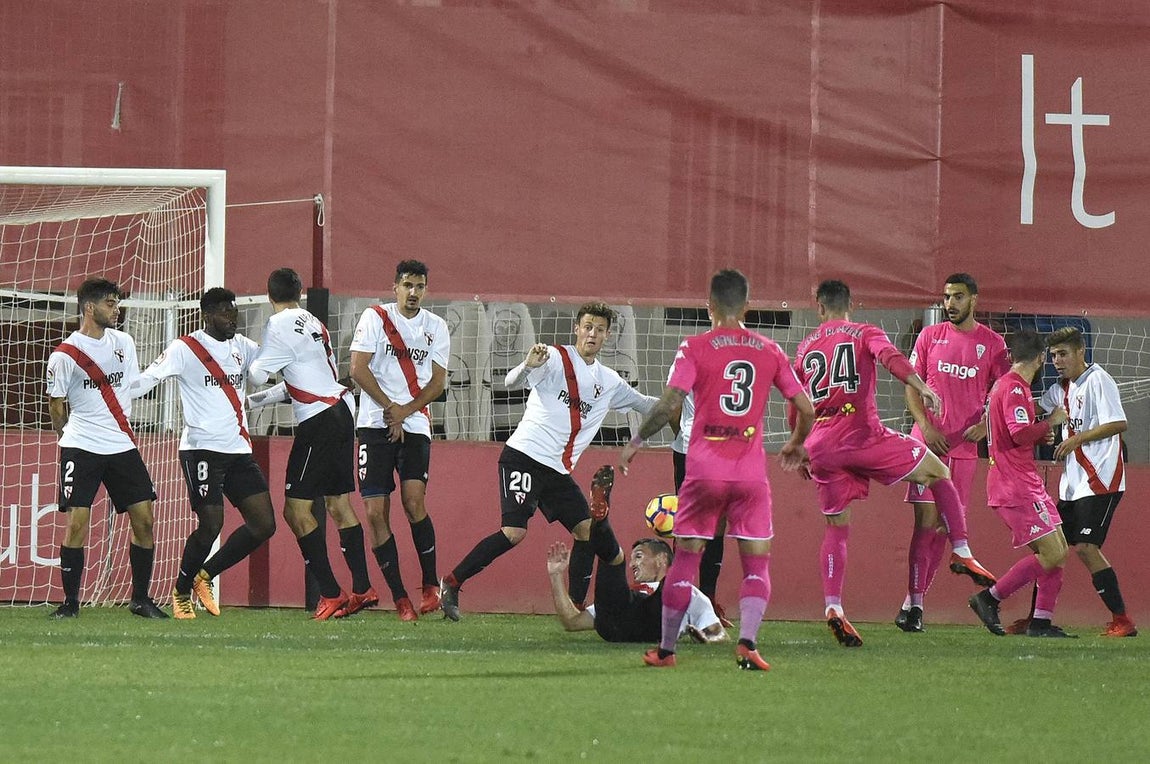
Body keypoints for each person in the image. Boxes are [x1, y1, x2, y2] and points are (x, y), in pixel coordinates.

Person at [620, 269, 815, 670]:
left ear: (708, 306)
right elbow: (808, 408)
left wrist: (635, 443)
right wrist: (796, 444)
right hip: (750, 475)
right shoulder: (769, 349)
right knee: (756, 564)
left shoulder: (693, 347)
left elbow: (670, 402)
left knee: (686, 559)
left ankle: (667, 650)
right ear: (746, 305)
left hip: (703, 471)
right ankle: (747, 644)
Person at [793, 279, 996, 648]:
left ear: (818, 308)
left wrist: (799, 446)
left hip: (821, 444)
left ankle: (834, 607)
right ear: (851, 303)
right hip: (862, 435)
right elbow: (890, 359)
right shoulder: (864, 331)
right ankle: (963, 551)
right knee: (938, 471)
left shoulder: (805, 348)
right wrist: (921, 386)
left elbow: (797, 403)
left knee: (836, 528)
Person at [439, 302, 658, 621]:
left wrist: (680, 400)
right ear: (577, 329)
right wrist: (528, 365)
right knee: (514, 532)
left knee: (586, 530)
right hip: (524, 457)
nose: (592, 334)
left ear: (607, 336)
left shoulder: (609, 381)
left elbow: (643, 404)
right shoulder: (554, 357)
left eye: (599, 329)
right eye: (587, 327)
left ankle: (573, 607)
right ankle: (451, 582)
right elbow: (510, 382)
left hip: (557, 471)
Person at [129, 288, 277, 619]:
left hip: (238, 449)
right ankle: (180, 592)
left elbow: (272, 370)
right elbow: (150, 378)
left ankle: (203, 576)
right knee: (212, 523)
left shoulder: (245, 348)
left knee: (264, 524)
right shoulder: (186, 348)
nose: (232, 317)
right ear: (206, 315)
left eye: (234, 311)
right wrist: (118, 393)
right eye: (224, 312)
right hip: (201, 450)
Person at [247, 267, 374, 620]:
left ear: (268, 295)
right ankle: (363, 587)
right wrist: (255, 402)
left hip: (318, 421)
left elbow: (258, 372)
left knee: (295, 510)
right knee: (338, 504)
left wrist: (245, 359)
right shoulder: (313, 323)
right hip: (341, 412)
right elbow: (302, 380)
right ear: (300, 292)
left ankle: (331, 593)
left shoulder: (278, 325)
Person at [45, 277, 166, 618]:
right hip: (82, 445)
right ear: (89, 308)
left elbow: (130, 386)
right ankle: (70, 603)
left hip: (121, 444)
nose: (117, 309)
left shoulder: (123, 342)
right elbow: (57, 406)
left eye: (117, 303)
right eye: (111, 304)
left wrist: (162, 371)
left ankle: (140, 599)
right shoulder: (64, 355)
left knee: (144, 519)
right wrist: (67, 438)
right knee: (77, 523)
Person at [895, 274, 1009, 632]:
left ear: (974, 300)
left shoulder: (993, 344)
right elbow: (912, 387)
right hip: (925, 446)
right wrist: (926, 428)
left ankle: (912, 604)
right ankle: (915, 605)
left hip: (963, 451)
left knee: (944, 529)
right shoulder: (930, 336)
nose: (951, 304)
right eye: (947, 297)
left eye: (958, 297)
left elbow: (1007, 392)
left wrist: (987, 425)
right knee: (925, 523)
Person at [348, 260, 449, 621]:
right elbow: (357, 369)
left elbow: (438, 383)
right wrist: (390, 408)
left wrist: (404, 412)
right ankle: (400, 597)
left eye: (419, 286)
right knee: (375, 513)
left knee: (413, 501)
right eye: (407, 285)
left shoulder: (436, 327)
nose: (413, 293)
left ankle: (429, 586)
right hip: (375, 424)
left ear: (425, 289)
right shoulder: (375, 318)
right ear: (395, 287)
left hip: (416, 424)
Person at [968, 330, 1075, 638]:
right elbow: (1017, 434)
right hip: (1015, 485)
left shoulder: (1008, 386)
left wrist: (1040, 432)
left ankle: (1041, 622)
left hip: (1021, 482)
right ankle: (989, 598)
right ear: (1041, 357)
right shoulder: (1014, 388)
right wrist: (1050, 422)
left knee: (1058, 551)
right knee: (1054, 554)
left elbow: (1012, 433)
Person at [1033, 328, 1135, 636]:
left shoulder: (1098, 380)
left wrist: (1077, 438)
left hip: (1101, 479)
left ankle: (1122, 620)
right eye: (1053, 356)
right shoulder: (1060, 390)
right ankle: (1037, 619)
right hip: (1074, 485)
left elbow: (1119, 423)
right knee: (1050, 548)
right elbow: (1034, 409)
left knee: (1087, 548)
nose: (1057, 361)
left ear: (1080, 352)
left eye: (1063, 354)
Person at [547, 538, 727, 644]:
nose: (632, 564)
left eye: (639, 556)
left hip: (653, 624)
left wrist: (706, 638)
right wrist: (556, 576)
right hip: (619, 624)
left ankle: (685, 548)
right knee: (613, 568)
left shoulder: (691, 594)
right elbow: (572, 622)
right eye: (632, 559)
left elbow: (719, 632)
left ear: (661, 559)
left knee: (673, 589)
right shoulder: (628, 593)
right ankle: (602, 531)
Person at [670, 390, 733, 628]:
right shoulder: (687, 356)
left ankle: (708, 600)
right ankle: (677, 601)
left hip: (726, 449)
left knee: (718, 523)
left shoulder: (734, 358)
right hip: (691, 449)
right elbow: (672, 405)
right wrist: (685, 435)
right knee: (688, 525)